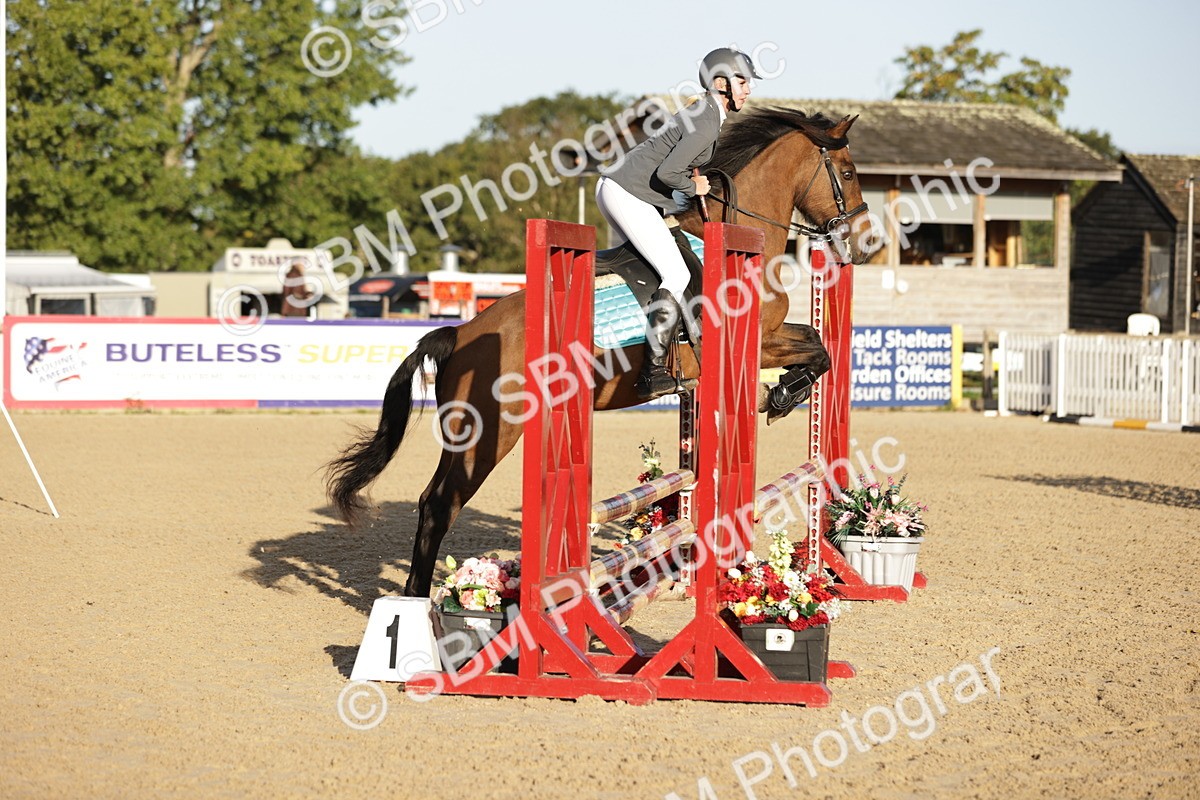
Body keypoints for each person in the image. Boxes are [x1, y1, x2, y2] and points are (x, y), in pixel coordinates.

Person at [596, 48, 760, 400]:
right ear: (721, 83)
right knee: (678, 274)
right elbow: (668, 172)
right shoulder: (705, 120)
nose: (748, 90)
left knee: (665, 257)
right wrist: (693, 186)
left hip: (624, 189)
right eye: (742, 82)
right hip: (628, 192)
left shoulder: (704, 112)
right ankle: (652, 372)